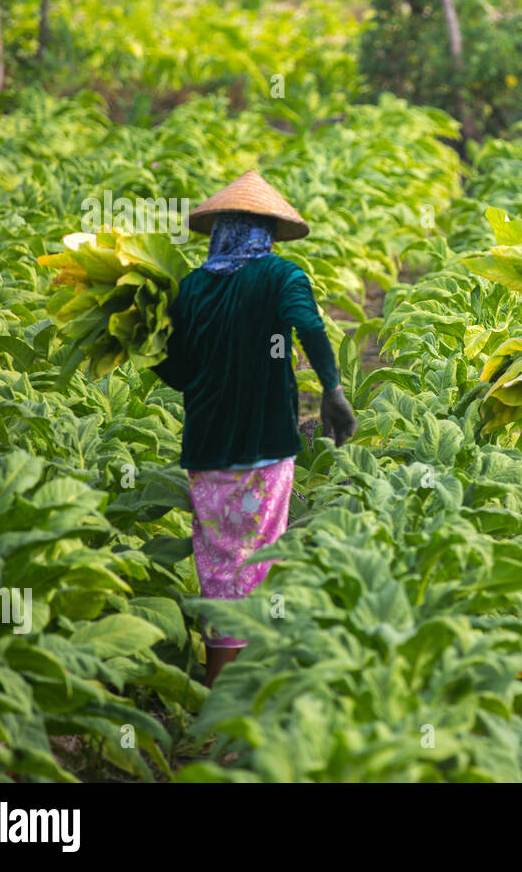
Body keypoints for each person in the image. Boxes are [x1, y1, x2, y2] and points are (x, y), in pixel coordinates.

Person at [151, 171, 356, 686]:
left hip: (206, 446)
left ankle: (220, 676)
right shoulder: (281, 277)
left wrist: (141, 341)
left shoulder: (191, 288)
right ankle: (246, 687)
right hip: (264, 442)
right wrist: (331, 390)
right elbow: (308, 325)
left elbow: (176, 373)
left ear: (220, 230)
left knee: (218, 558)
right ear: (265, 232)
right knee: (260, 555)